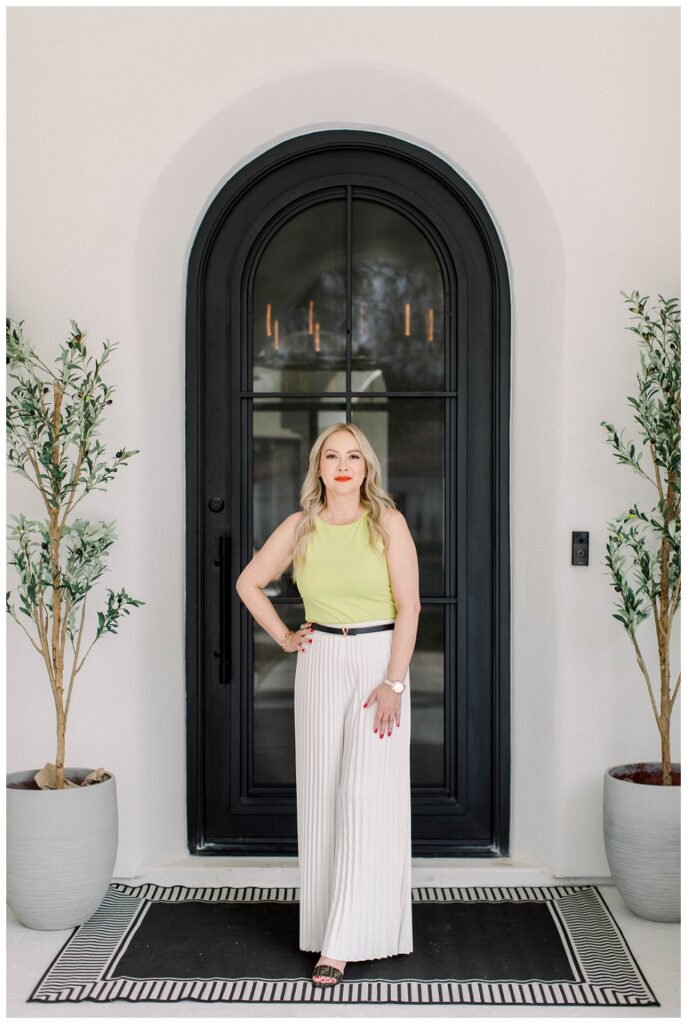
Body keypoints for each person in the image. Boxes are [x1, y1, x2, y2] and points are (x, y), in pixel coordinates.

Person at [235, 422, 421, 987]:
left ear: (367, 467)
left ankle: (348, 940)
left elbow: (410, 608)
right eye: (332, 456)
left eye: (354, 457)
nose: (343, 465)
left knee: (365, 796)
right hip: (319, 663)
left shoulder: (388, 523)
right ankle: (324, 929)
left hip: (376, 666)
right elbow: (248, 583)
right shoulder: (300, 527)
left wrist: (394, 683)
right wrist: (287, 637)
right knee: (321, 797)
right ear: (319, 467)